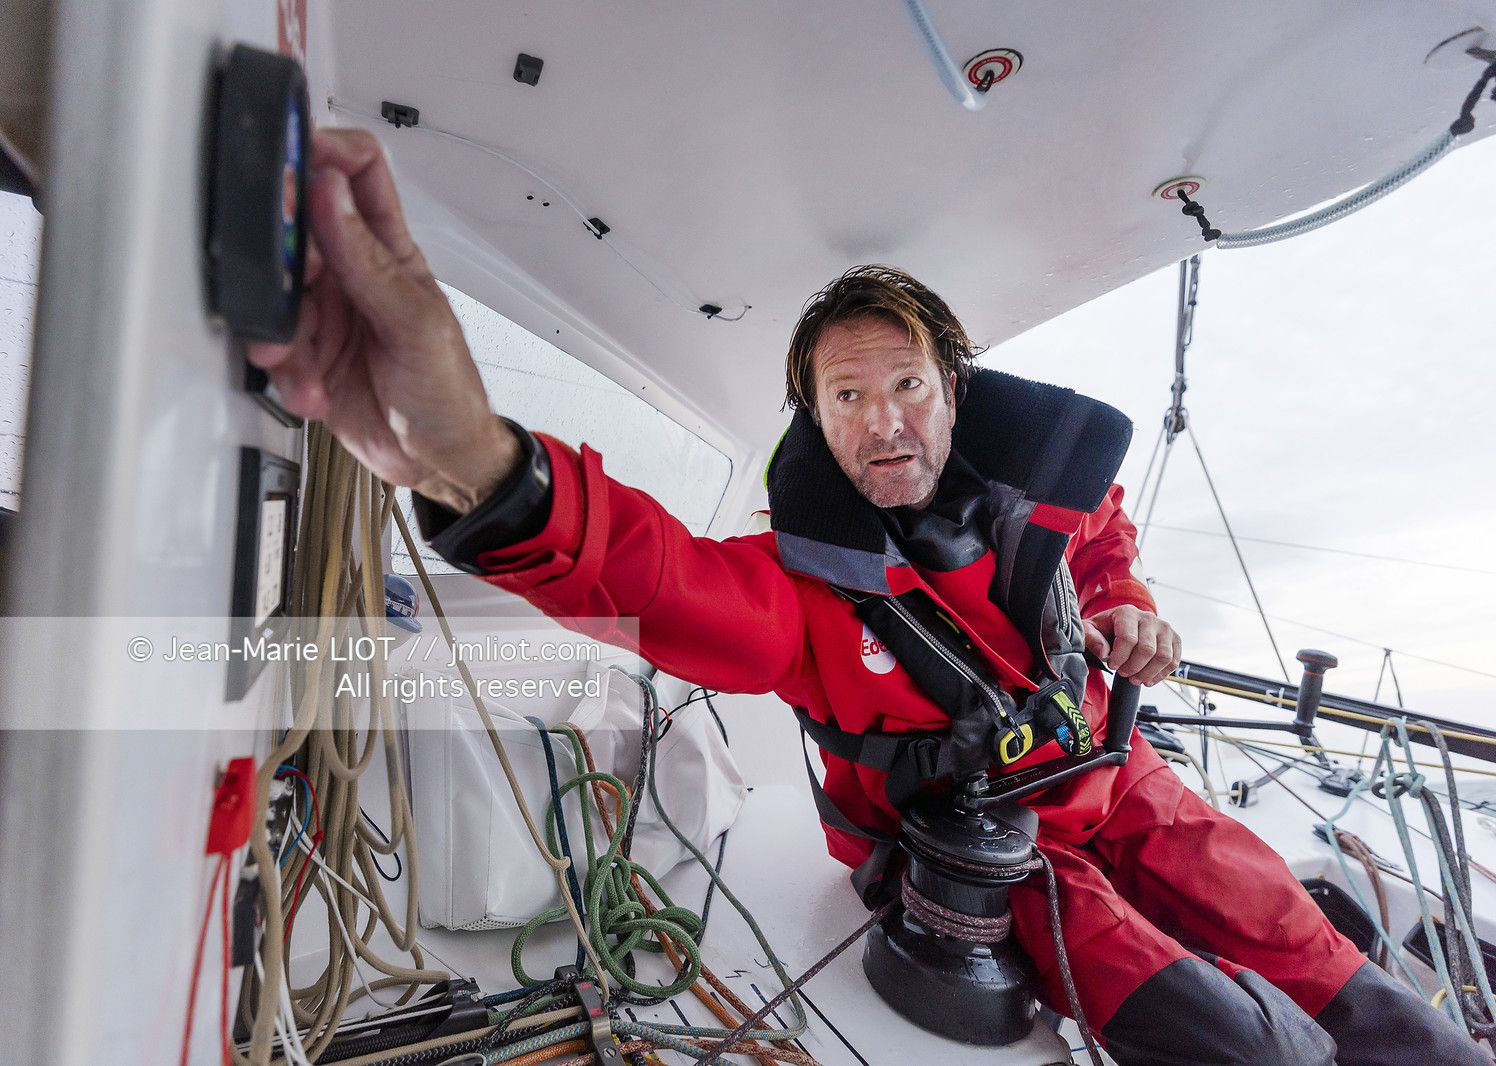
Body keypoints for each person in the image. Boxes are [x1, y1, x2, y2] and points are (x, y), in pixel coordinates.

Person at [248, 128, 1487, 1066]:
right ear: (815, 418)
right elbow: (660, 577)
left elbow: (1104, 545)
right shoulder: (800, 592)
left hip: (1120, 777)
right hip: (977, 846)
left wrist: (1126, 607)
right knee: (1227, 1034)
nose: (881, 422)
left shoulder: (1047, 500)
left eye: (904, 385)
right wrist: (479, 463)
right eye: (845, 397)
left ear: (953, 389)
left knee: (1312, 947)